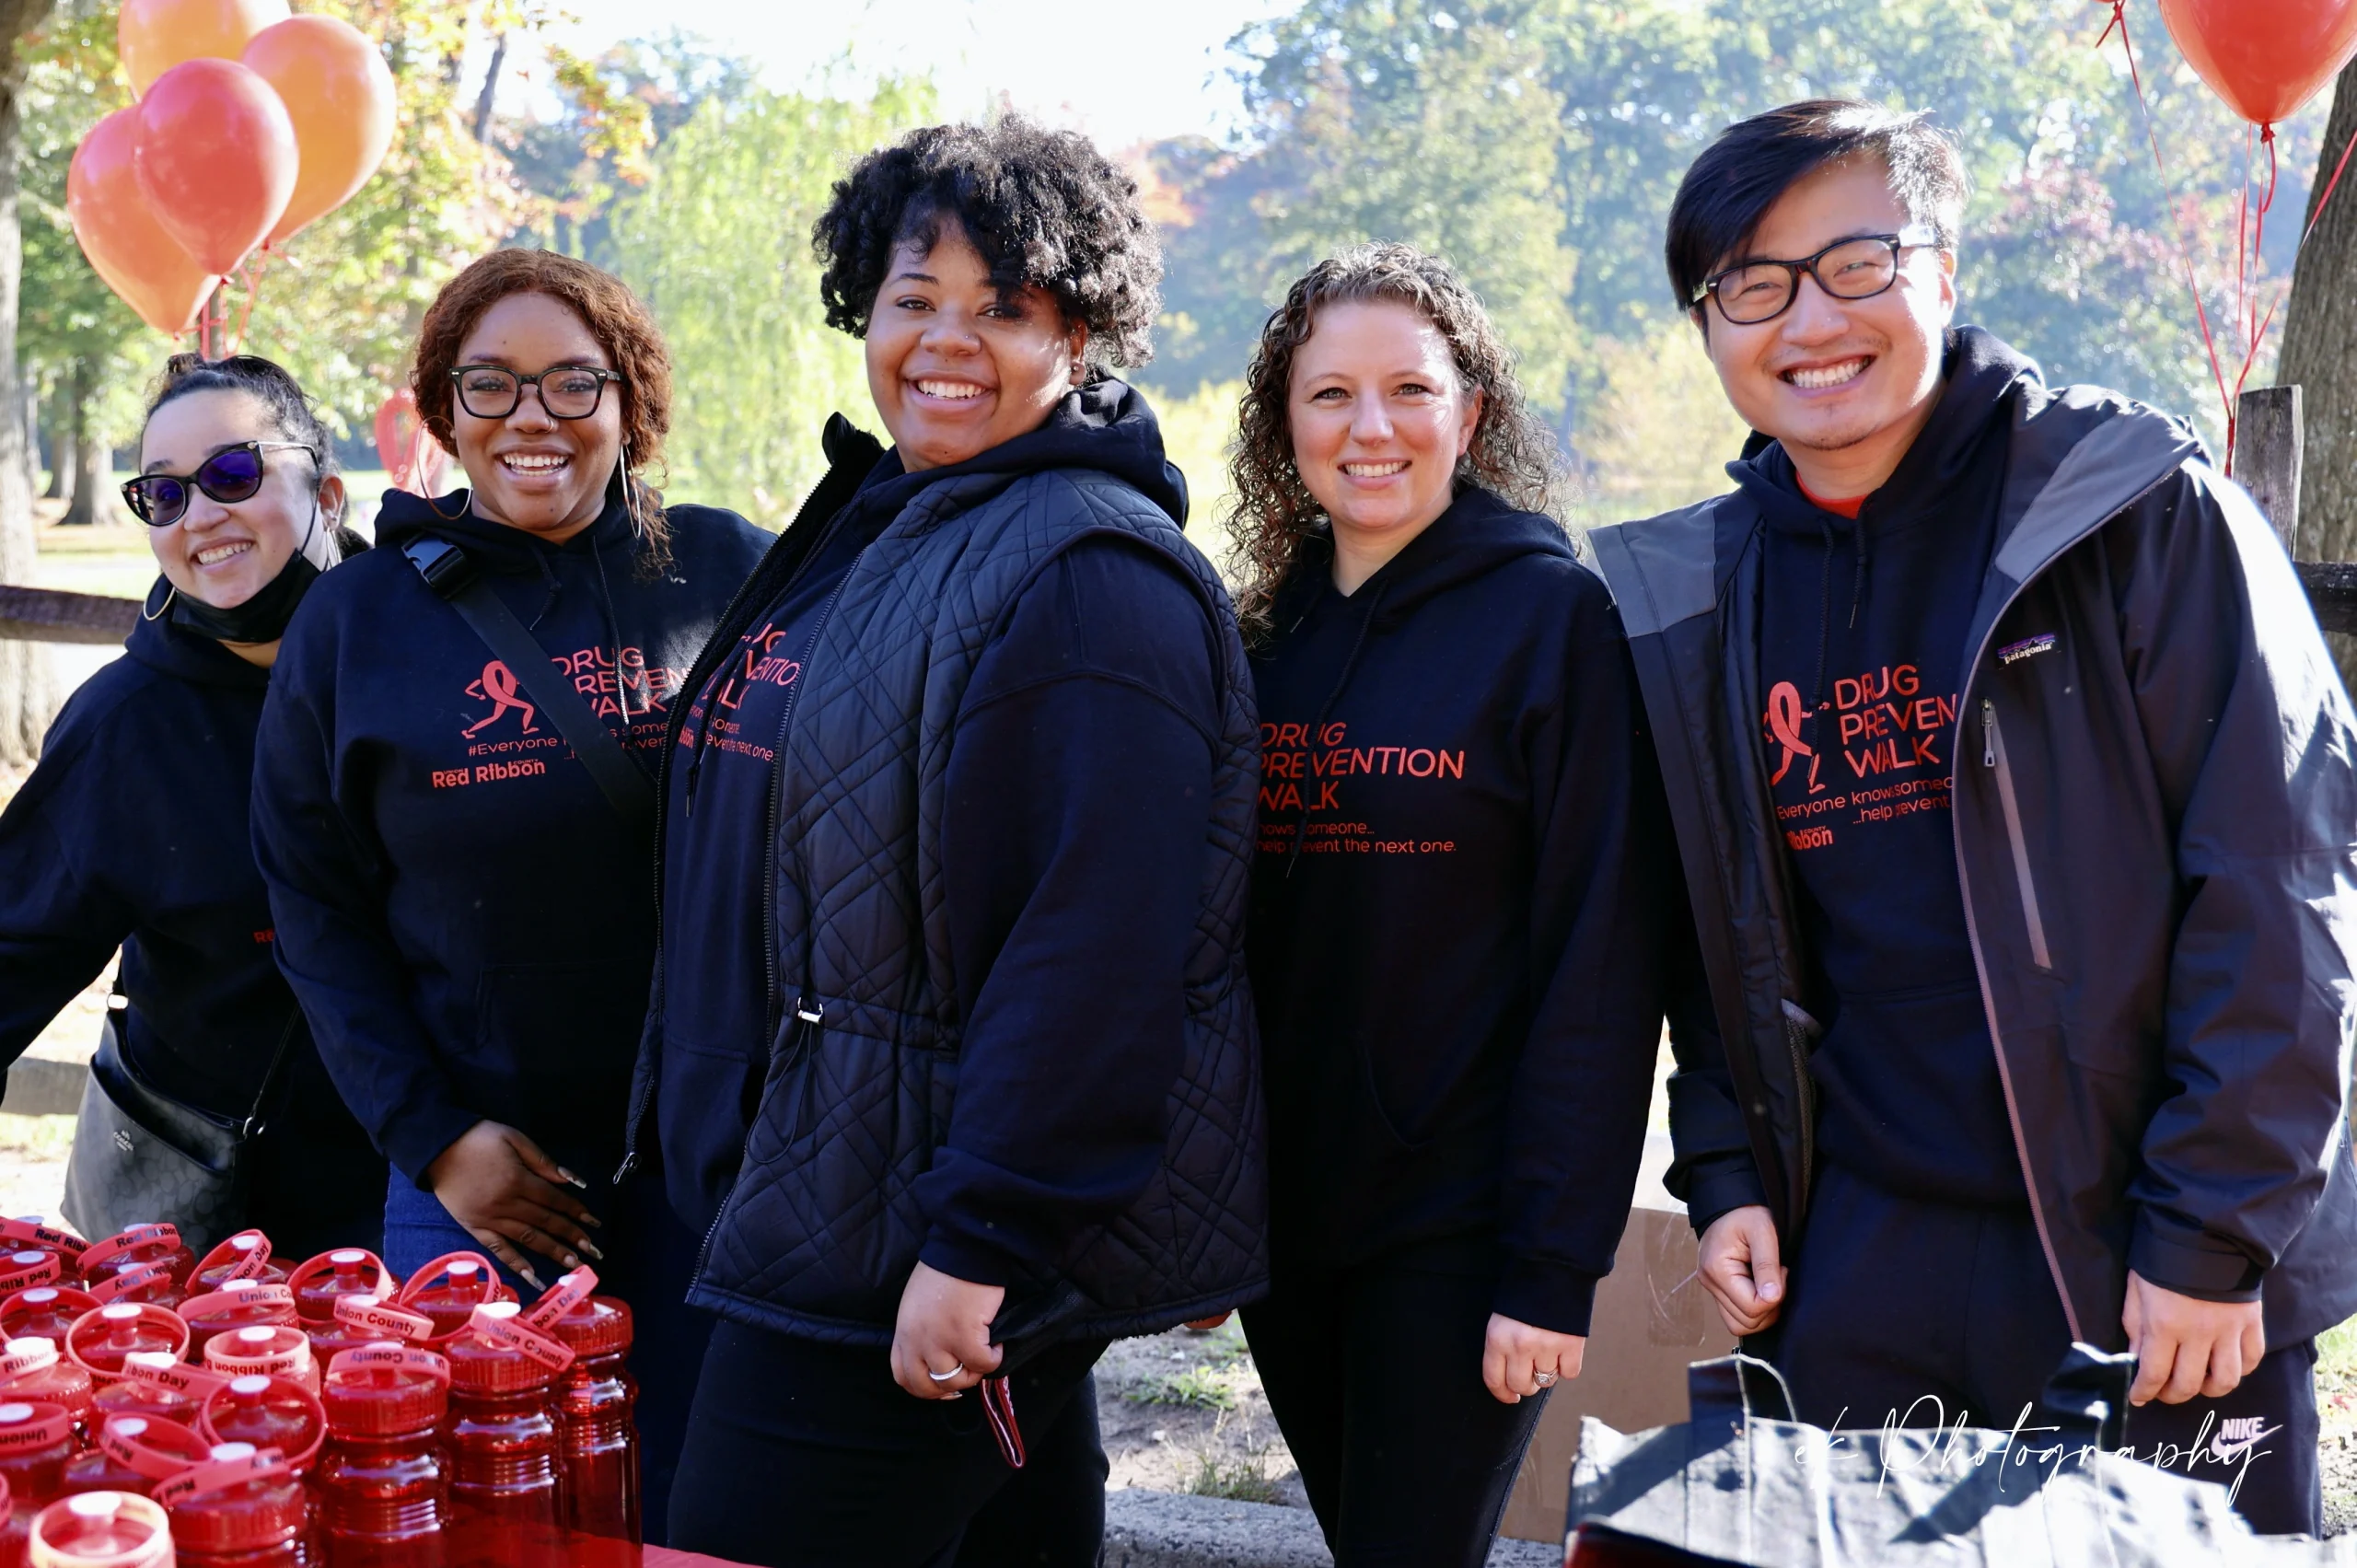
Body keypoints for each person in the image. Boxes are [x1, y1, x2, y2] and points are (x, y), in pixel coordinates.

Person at [1585, 99, 2357, 1534]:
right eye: (1753, 283)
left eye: (1858, 262)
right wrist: (1732, 1170)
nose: (1810, 318)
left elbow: (2281, 880)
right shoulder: (1706, 589)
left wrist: (2211, 1229)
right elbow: (1718, 926)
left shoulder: (2126, 513)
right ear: (1709, 324)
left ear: (1945, 268)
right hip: (1861, 1254)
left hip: (2140, 1250)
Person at [641, 117, 1264, 1567]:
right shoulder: (903, 521)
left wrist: (983, 1239)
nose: (944, 340)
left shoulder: (1094, 578)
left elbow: (1099, 951)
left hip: (909, 1240)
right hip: (817, 1189)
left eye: (1002, 308)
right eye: (913, 299)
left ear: (1086, 333)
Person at [250, 250, 769, 1535]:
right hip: (483, 1175)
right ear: (444, 407)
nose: (531, 418)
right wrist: (433, 1136)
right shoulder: (358, 621)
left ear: (630, 402)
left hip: (715, 1169)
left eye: (570, 383)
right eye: (491, 384)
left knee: (696, 1513)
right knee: (489, 1523)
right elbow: (313, 903)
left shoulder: (733, 572)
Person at [1223, 243, 1667, 1565]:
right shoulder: (1260, 637)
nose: (1372, 429)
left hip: (1462, 1225)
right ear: (1281, 422)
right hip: (1285, 1223)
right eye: (1330, 395)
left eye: (1410, 390)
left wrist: (1551, 1264)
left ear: (1469, 412)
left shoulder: (1554, 622)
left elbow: (1603, 959)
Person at [0, 354, 385, 1260]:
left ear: (326, 492)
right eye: (163, 495)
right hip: (204, 1212)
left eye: (233, 473)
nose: (202, 514)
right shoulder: (124, 727)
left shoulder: (426, 664)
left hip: (427, 1194)